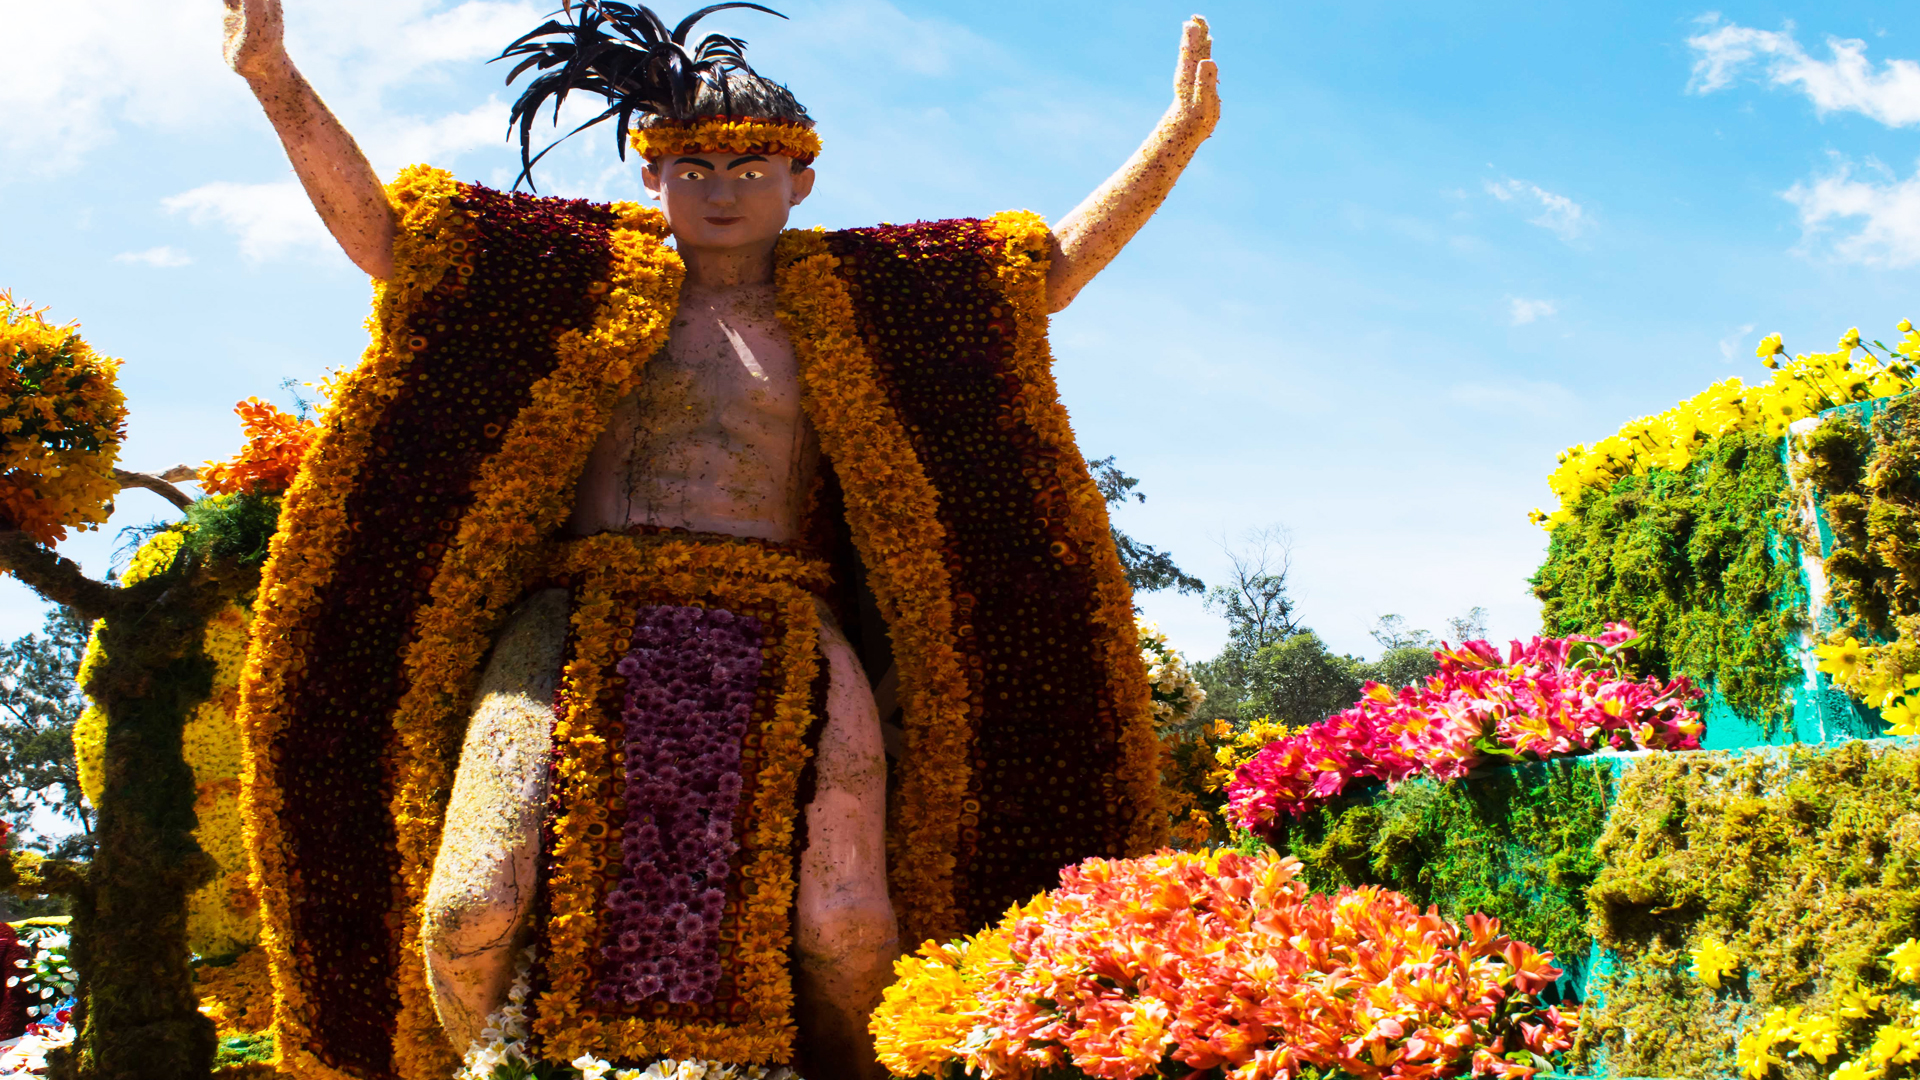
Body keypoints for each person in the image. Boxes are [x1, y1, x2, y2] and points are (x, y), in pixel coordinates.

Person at [222, 3, 1219, 1079]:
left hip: (787, 619)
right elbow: (387, 239)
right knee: (469, 905)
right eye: (693, 161)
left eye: (755, 161)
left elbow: (1044, 272)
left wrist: (1176, 137)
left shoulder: (873, 299)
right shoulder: (561, 276)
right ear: (650, 176)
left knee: (847, 928)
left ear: (804, 182)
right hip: (575, 620)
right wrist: (271, 74)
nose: (723, 184)